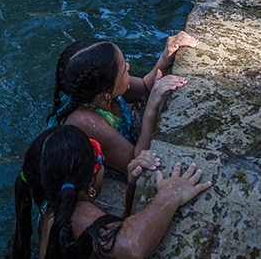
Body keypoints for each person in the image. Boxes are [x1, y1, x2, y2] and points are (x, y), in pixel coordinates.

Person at [0, 125, 211, 259]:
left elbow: (110, 231)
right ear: (90, 183)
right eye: (99, 159)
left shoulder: (50, 207)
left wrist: (132, 188)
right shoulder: (80, 216)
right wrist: (169, 196)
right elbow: (133, 246)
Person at [47, 33, 199, 168]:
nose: (128, 66)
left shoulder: (102, 88)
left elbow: (145, 87)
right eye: (123, 69)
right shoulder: (84, 121)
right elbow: (135, 160)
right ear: (107, 94)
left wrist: (167, 56)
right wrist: (152, 107)